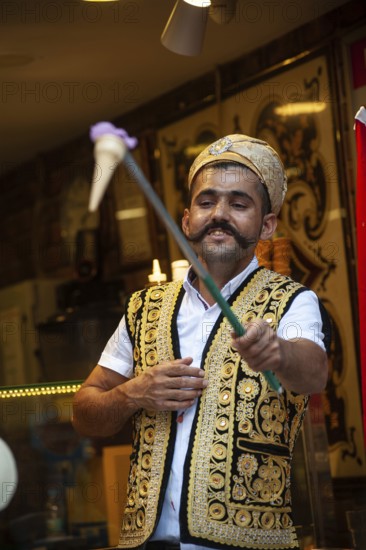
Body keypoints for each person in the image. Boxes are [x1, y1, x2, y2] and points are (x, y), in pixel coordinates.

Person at [72, 134, 329, 550]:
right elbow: (84, 413)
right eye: (207, 203)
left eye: (238, 204)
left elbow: (314, 372)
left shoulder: (293, 301)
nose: (219, 215)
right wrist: (132, 394)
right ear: (187, 219)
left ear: (267, 225)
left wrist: (277, 351)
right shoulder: (144, 307)